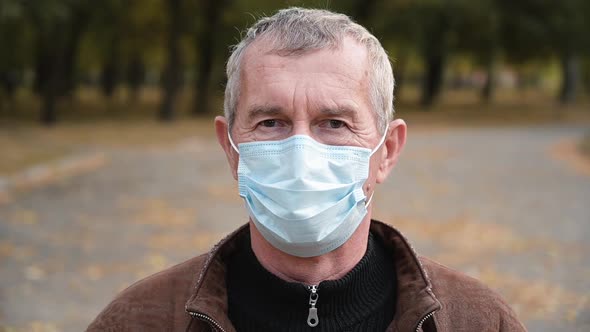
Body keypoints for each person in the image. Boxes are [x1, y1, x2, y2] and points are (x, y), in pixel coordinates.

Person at [87, 7, 526, 332]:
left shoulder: (478, 321)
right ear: (232, 148)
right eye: (270, 122)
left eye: (334, 123)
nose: (301, 153)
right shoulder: (138, 320)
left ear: (387, 151)